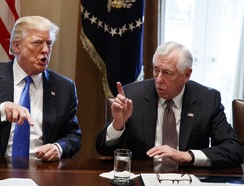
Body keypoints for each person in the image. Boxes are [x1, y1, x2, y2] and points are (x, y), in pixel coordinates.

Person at [96, 41, 244, 168]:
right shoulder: (133, 95)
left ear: (187, 74)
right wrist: (118, 124)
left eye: (167, 73)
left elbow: (234, 150)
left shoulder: (207, 100)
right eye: (156, 70)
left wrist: (188, 156)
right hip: (142, 182)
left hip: (189, 183)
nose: (158, 79)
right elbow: (103, 150)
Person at [0, 16, 81, 162]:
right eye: (37, 43)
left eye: (49, 43)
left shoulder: (64, 87)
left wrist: (59, 148)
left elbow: (73, 135)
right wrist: (2, 110)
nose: (45, 50)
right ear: (16, 46)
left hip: (43, 170)